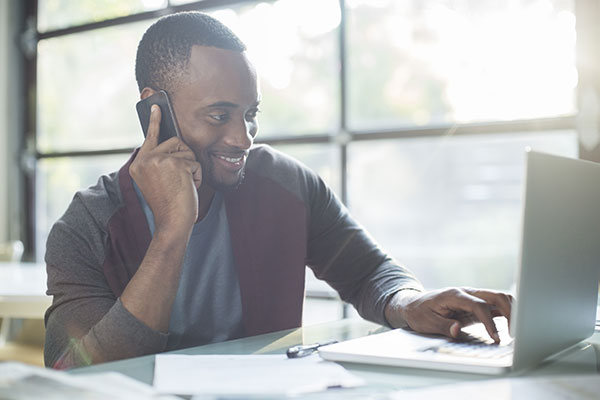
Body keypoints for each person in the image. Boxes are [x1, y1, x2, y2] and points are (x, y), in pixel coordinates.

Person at [44, 12, 512, 369]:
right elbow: (78, 371)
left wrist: (410, 303)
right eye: (218, 115)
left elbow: (369, 272)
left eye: (250, 114)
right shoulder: (85, 226)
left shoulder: (286, 184)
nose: (242, 138)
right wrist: (172, 229)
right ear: (154, 111)